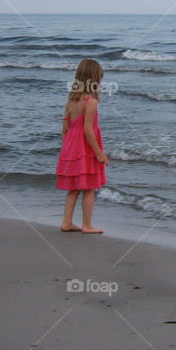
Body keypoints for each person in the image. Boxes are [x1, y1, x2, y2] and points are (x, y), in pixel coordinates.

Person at [56, 58, 109, 233]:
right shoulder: (90, 102)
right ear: (93, 80)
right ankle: (86, 225)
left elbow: (65, 128)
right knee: (89, 188)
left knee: (73, 188)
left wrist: (66, 148)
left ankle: (66, 222)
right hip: (85, 148)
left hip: (71, 147)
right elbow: (88, 130)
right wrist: (99, 153)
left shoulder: (71, 100)